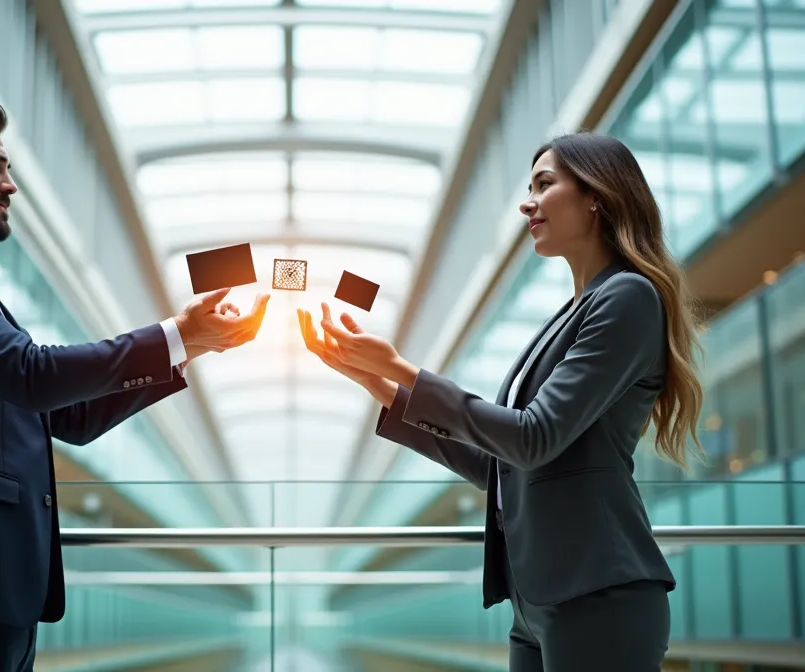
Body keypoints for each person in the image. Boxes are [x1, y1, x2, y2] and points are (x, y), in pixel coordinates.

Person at [0, 98, 270, 671]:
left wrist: (193, 345)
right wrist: (176, 331)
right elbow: (34, 376)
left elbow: (67, 418)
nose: (11, 185)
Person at [298, 132, 704, 671]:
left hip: (597, 593)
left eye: (544, 183)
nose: (526, 202)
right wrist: (372, 380)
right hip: (538, 599)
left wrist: (398, 366)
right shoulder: (574, 310)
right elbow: (502, 465)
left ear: (596, 196)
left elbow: (533, 437)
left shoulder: (627, 296)